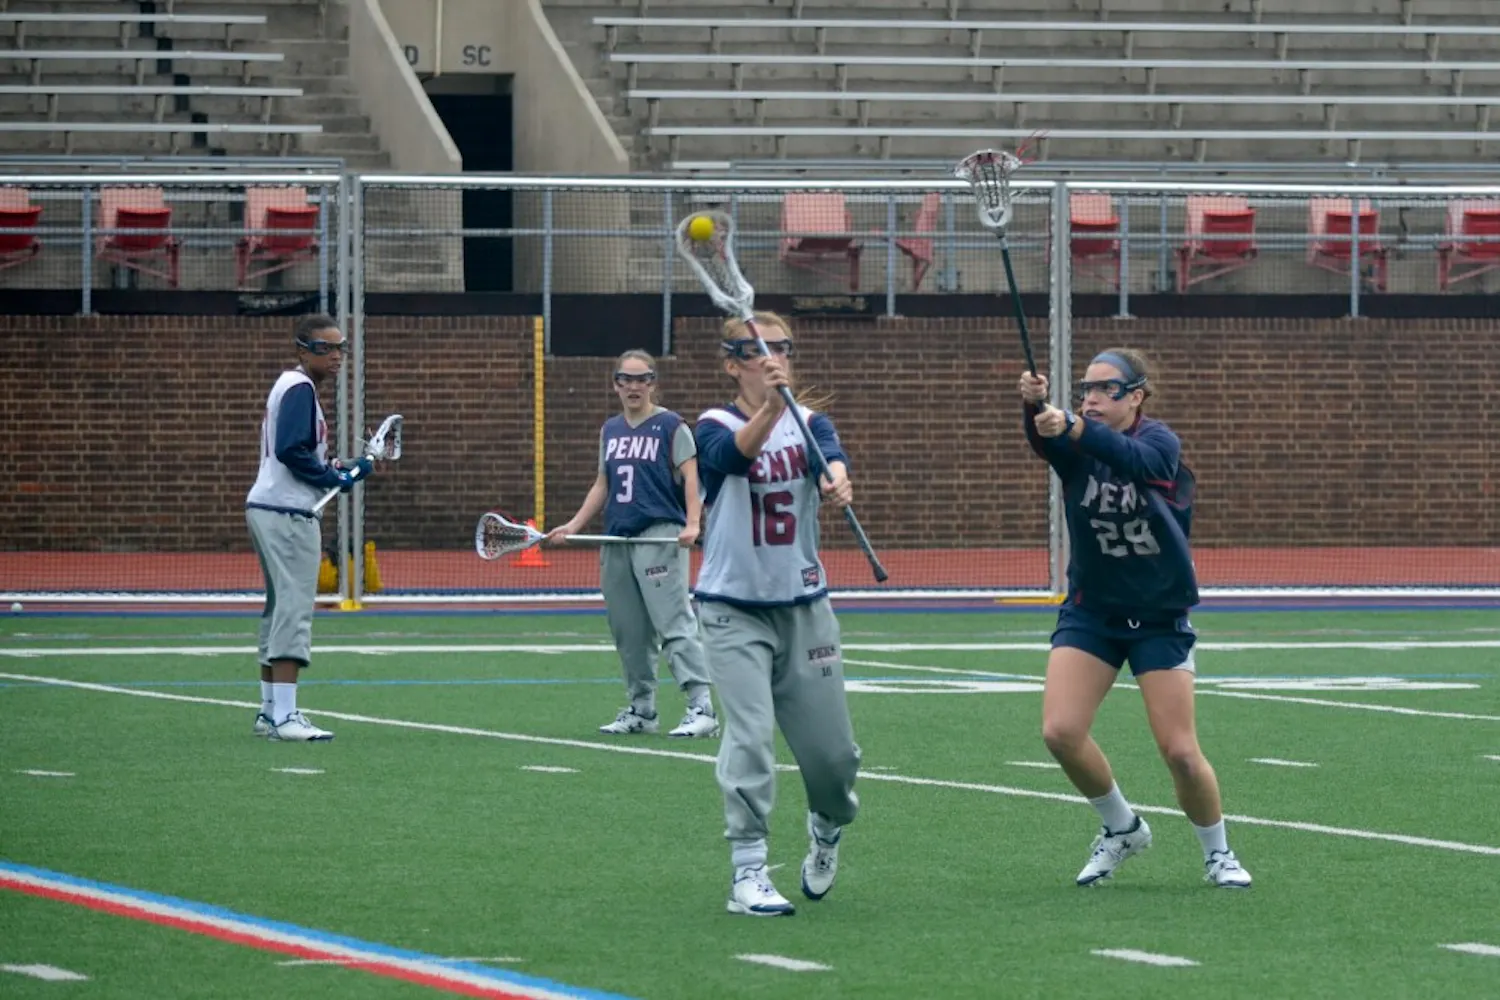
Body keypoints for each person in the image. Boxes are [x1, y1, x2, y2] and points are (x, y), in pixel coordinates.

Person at [1020, 347, 1251, 889]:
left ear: (1137, 396)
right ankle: (1121, 827)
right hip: (1092, 611)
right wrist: (1032, 407)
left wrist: (1072, 424)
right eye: (1086, 390)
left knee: (1180, 752)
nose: (1092, 399)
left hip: (1158, 615)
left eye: (1106, 390)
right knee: (1060, 731)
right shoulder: (1076, 447)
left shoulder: (1159, 441)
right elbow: (1043, 438)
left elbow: (1144, 465)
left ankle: (1218, 853)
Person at [694, 312, 861, 917]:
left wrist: (838, 483)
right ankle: (749, 870)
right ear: (733, 362)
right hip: (732, 609)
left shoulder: (811, 422)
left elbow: (832, 462)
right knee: (751, 738)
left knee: (834, 758)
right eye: (758, 351)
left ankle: (827, 823)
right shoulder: (712, 423)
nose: (774, 359)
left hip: (804, 607)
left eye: (782, 349)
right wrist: (771, 407)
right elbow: (733, 459)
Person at [547, 350, 717, 739]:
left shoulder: (672, 425)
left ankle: (701, 707)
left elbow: (691, 477)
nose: (635, 386)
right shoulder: (610, 430)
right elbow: (602, 483)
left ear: (653, 383)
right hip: (616, 537)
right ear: (616, 384)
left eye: (643, 379)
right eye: (627, 379)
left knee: (673, 621)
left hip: (658, 534)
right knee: (629, 629)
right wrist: (573, 524)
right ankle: (642, 709)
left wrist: (693, 523)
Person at [245, 313, 370, 742]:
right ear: (302, 350)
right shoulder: (299, 387)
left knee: (279, 608)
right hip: (286, 513)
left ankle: (268, 712)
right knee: (294, 610)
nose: (335, 356)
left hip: (270, 506)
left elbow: (304, 455)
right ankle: (284, 716)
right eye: (325, 348)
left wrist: (344, 469)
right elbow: (290, 452)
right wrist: (334, 479)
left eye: (340, 348)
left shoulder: (296, 389)